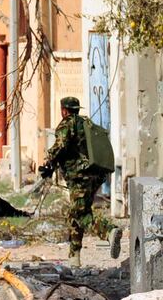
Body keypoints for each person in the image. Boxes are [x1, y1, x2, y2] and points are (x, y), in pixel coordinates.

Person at [39, 96, 121, 268]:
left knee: (81, 215)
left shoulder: (67, 124)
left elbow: (60, 146)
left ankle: (109, 232)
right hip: (95, 175)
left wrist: (48, 162)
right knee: (76, 213)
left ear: (64, 110)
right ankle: (74, 257)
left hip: (79, 176)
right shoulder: (86, 123)